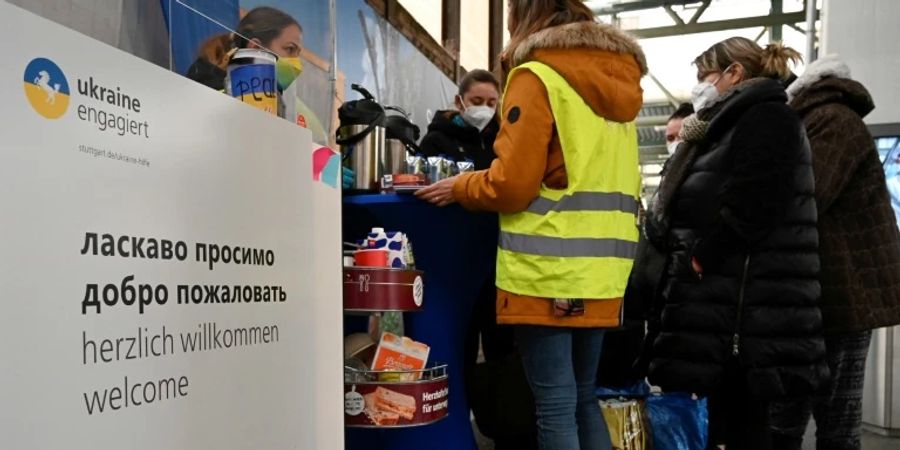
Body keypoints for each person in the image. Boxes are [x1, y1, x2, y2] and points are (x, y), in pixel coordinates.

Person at [418, 1, 647, 448]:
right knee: (584, 398)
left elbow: (514, 185)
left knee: (556, 405)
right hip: (604, 270)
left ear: (522, 18)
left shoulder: (537, 75)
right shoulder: (621, 85)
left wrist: (462, 186)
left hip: (550, 266)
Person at [644, 37, 829, 450]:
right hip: (726, 301)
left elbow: (756, 203)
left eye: (704, 77)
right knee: (726, 421)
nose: (699, 87)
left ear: (734, 73)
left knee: (745, 423)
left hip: (746, 308)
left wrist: (702, 256)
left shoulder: (766, 119)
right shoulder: (722, 125)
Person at [768, 55, 900, 450]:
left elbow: (810, 192)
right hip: (824, 289)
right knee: (793, 414)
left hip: (844, 293)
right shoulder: (815, 119)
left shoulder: (833, 120)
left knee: (834, 416)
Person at [187, 6, 303, 92]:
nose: (296, 62)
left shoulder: (269, 95)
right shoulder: (209, 90)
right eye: (290, 49)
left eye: (298, 54)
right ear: (256, 48)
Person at [419, 69, 500, 170]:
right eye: (476, 102)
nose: (484, 109)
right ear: (458, 102)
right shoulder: (435, 141)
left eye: (491, 104)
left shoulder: (499, 142)